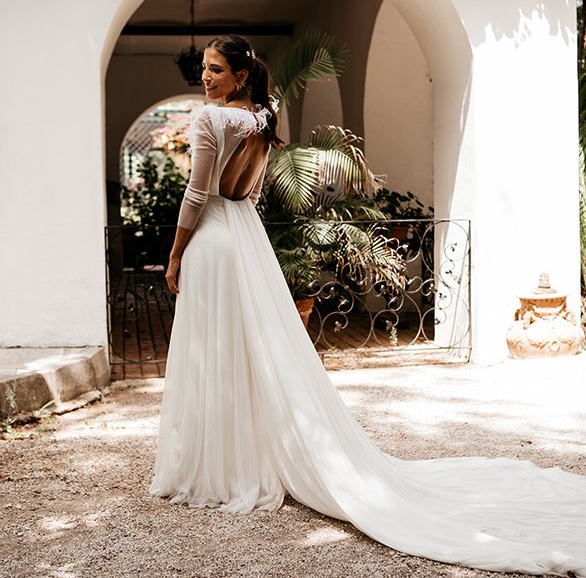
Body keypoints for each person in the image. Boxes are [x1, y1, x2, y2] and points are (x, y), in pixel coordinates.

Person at [149, 34, 586, 576]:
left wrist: (174, 256)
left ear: (240, 74)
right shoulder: (262, 114)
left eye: (217, 70)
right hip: (244, 236)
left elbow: (196, 193)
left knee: (216, 349)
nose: (207, 78)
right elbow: (248, 192)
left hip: (214, 241)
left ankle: (218, 466)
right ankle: (247, 458)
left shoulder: (209, 121)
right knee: (248, 347)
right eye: (206, 70)